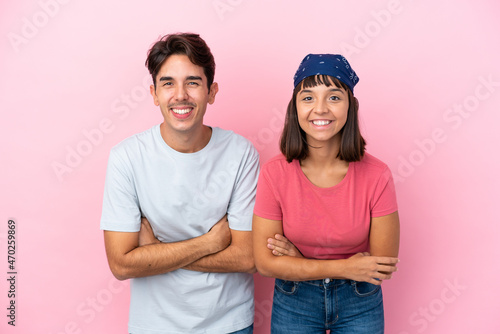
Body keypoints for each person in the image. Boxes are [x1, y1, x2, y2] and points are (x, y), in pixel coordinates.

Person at [100, 33, 259, 334]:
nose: (180, 95)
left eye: (193, 82)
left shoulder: (241, 153)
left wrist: (156, 252)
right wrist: (209, 243)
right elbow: (121, 264)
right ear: (154, 93)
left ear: (211, 91)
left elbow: (248, 257)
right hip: (154, 325)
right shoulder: (127, 158)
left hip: (230, 323)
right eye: (168, 83)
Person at [252, 54, 400, 333]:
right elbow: (265, 263)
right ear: (295, 107)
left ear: (350, 107)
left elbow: (381, 265)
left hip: (360, 300)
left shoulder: (377, 175)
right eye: (308, 98)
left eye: (333, 97)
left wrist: (298, 262)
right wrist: (345, 268)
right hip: (295, 299)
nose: (320, 109)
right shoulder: (274, 173)